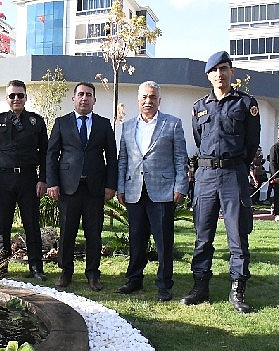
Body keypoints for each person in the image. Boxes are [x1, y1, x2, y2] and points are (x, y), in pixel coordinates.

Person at [181, 51, 260, 314]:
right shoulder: (199, 106)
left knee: (237, 235)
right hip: (205, 176)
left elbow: (251, 144)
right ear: (208, 75)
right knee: (203, 235)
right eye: (214, 70)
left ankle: (237, 290)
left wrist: (237, 167)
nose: (219, 74)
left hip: (233, 174)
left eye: (224, 69)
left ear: (231, 72)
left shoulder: (245, 104)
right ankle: (200, 286)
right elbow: (198, 137)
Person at [115, 81, 188, 301]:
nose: (148, 101)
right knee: (136, 237)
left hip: (163, 191)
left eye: (153, 97)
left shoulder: (172, 124)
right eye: (144, 97)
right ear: (138, 100)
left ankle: (164, 284)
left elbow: (180, 158)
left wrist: (180, 186)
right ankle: (134, 279)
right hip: (134, 190)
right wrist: (121, 187)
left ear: (159, 100)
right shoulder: (127, 126)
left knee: (163, 241)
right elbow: (123, 160)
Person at [46, 82, 118, 291]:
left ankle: (93, 274)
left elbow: (111, 158)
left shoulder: (104, 125)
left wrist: (111, 185)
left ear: (94, 100)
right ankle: (65, 272)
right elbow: (51, 155)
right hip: (68, 188)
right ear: (73, 99)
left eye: (88, 95)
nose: (84, 98)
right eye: (80, 95)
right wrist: (52, 182)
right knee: (67, 232)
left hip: (95, 189)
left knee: (93, 233)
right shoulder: (61, 123)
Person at [0, 80, 48, 281]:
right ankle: (1, 266)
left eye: (20, 95)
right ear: (6, 98)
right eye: (12, 96)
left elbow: (45, 153)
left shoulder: (36, 122)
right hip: (3, 178)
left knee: (31, 224)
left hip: (29, 178)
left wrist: (43, 179)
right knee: (3, 224)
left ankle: (36, 267)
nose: (16, 99)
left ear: (26, 97)